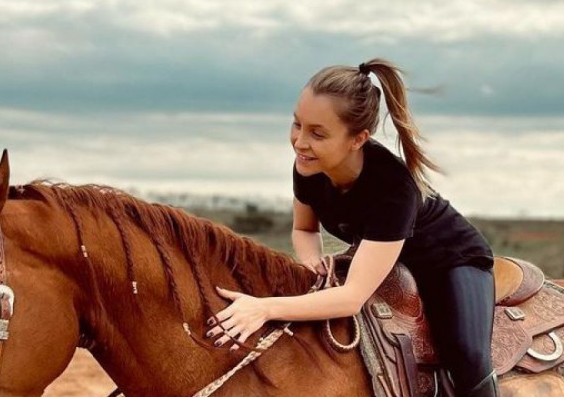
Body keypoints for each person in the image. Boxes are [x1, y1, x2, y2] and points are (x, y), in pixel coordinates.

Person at [209, 58, 498, 397]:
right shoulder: (308, 166)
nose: (300, 142)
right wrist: (310, 262)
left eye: (318, 133)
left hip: (451, 261)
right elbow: (304, 230)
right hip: (384, 259)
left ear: (358, 138)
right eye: (297, 124)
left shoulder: (393, 188)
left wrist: (264, 307)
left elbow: (351, 299)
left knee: (468, 355)